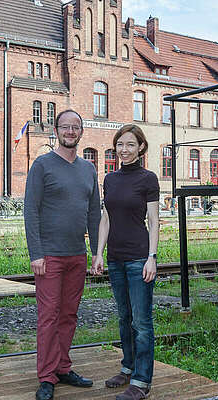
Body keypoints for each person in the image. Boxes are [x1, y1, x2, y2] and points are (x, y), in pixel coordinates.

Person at [24, 109, 101, 400]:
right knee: (48, 316)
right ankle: (46, 376)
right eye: (65, 127)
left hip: (77, 256)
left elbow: (94, 213)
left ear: (81, 132)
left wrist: (97, 252)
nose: (70, 132)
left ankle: (63, 367)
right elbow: (30, 211)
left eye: (76, 127)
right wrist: (36, 253)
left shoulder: (89, 169)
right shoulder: (42, 165)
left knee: (69, 315)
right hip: (50, 257)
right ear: (56, 130)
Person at [92, 124, 159, 400]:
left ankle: (142, 381)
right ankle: (128, 367)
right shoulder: (110, 178)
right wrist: (98, 253)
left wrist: (152, 258)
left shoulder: (148, 178)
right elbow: (105, 218)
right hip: (116, 259)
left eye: (130, 144)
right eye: (120, 144)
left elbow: (154, 221)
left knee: (142, 322)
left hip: (139, 258)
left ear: (141, 147)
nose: (125, 150)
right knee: (124, 317)